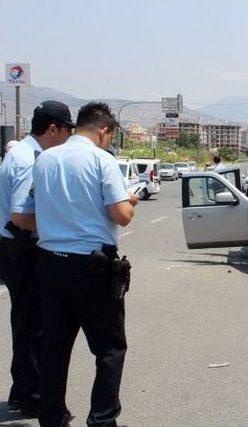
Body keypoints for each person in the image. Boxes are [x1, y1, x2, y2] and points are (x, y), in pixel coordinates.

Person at [32, 102, 138, 427]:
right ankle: (102, 420)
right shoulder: (101, 160)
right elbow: (120, 215)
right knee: (109, 348)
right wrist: (130, 202)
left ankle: (51, 417)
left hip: (49, 265)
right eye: (110, 137)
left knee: (54, 347)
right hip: (91, 268)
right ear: (103, 131)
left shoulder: (45, 159)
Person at [0, 101, 74, 417]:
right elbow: (20, 216)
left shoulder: (29, 154)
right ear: (52, 128)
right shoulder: (28, 159)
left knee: (30, 321)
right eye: (67, 130)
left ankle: (25, 391)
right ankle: (29, 394)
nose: (69, 138)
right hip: (22, 248)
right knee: (33, 323)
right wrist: (59, 226)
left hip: (18, 248)